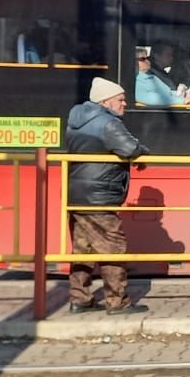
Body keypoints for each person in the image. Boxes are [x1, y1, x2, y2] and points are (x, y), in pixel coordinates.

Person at [64, 77, 149, 315]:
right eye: (120, 100)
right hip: (99, 196)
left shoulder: (76, 120)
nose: (124, 104)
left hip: (76, 195)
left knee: (83, 250)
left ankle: (80, 299)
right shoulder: (107, 123)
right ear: (106, 101)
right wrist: (142, 150)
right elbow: (130, 148)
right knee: (113, 246)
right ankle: (117, 301)